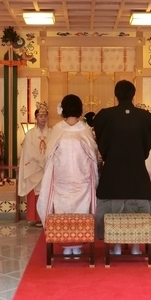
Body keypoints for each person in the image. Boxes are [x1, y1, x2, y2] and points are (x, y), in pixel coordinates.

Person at [93, 80, 151, 255]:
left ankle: (116, 245)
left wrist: (110, 154)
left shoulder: (105, 115)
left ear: (116, 95)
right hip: (137, 174)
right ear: (133, 94)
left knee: (113, 208)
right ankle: (136, 245)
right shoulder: (145, 116)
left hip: (112, 174)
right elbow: (147, 143)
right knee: (139, 208)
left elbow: (100, 139)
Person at [37, 94, 98, 257]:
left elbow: (49, 156)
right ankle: (78, 244)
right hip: (81, 180)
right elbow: (93, 155)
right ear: (79, 109)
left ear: (63, 109)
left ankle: (66, 245)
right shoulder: (85, 129)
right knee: (80, 212)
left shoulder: (57, 129)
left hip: (62, 180)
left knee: (63, 211)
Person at [18, 107, 51, 227]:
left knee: (46, 192)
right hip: (34, 167)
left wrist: (46, 160)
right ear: (36, 117)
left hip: (47, 167)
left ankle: (46, 217)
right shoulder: (30, 134)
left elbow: (53, 148)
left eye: (45, 116)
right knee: (35, 192)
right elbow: (29, 150)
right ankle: (35, 217)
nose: (43, 118)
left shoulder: (52, 132)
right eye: (40, 116)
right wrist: (41, 160)